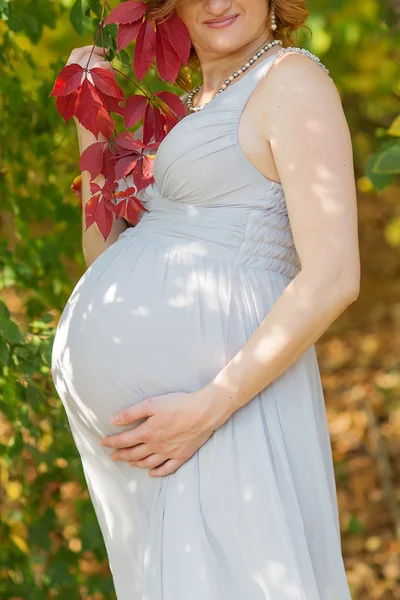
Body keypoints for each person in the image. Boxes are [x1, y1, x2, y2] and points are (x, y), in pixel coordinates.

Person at [51, 0, 360, 598]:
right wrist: (92, 124)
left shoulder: (291, 78)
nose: (217, 4)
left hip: (218, 410)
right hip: (159, 444)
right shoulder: (186, 110)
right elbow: (104, 256)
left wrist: (208, 408)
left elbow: (334, 276)